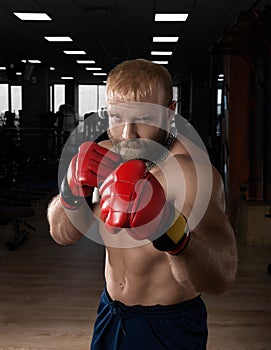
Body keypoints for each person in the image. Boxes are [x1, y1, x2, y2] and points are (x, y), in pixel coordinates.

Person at [47, 59, 238, 350]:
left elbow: (221, 278)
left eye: (144, 119)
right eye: (117, 117)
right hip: (110, 314)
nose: (127, 134)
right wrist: (71, 193)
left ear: (170, 113)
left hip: (169, 327)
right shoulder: (105, 156)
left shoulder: (192, 174)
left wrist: (168, 227)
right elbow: (62, 234)